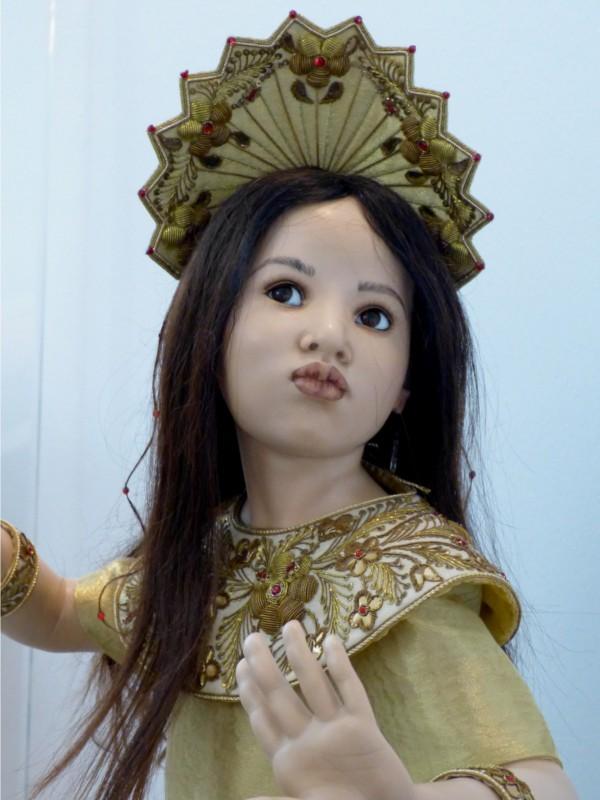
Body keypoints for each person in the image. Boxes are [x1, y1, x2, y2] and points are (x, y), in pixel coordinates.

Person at [1, 13, 579, 800]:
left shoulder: (410, 569)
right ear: (210, 330)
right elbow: (62, 614)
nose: (329, 335)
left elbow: (542, 781)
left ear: (407, 384)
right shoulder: (201, 560)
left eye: (374, 315)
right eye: (286, 291)